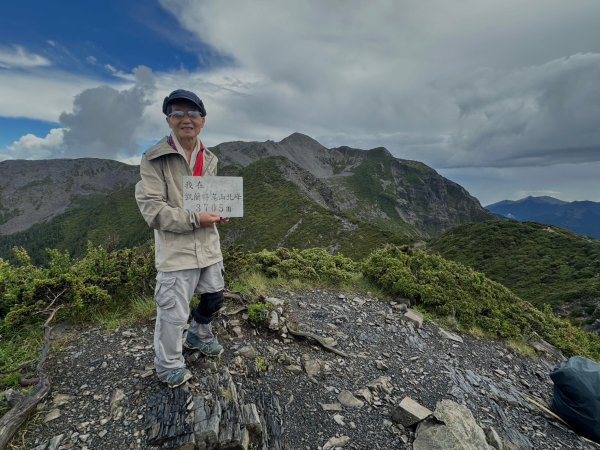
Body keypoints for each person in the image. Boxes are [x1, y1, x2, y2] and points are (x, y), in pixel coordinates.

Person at [135, 89, 228, 388]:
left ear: (203, 120)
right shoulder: (154, 159)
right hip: (176, 250)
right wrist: (195, 218)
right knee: (173, 313)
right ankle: (168, 365)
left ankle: (199, 335)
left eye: (192, 114)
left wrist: (219, 212)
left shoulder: (209, 158)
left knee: (214, 297)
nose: (186, 119)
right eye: (178, 114)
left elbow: (210, 198)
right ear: (168, 120)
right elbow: (153, 210)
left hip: (208, 245)